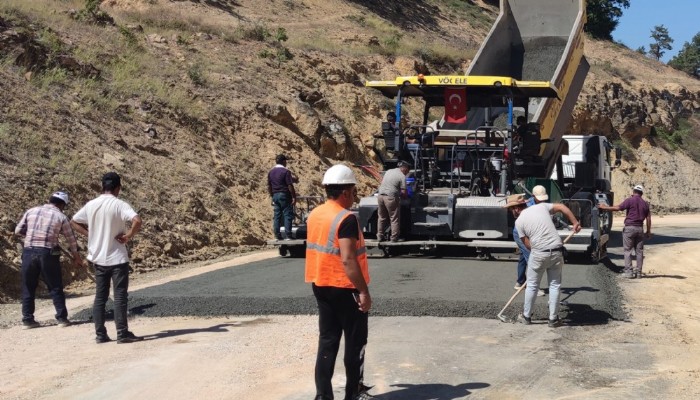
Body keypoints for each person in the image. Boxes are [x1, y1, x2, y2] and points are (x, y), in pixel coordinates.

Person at [305, 164, 375, 400]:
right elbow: (348, 259)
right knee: (355, 342)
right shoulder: (346, 219)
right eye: (353, 191)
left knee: (328, 340)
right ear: (345, 192)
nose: (354, 196)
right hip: (345, 288)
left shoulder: (315, 213)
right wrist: (363, 292)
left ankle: (323, 396)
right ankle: (352, 394)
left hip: (320, 284)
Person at [71, 172, 143, 344]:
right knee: (119, 296)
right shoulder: (119, 204)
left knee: (100, 297)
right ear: (118, 188)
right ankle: (122, 333)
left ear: (102, 187)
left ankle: (100, 334)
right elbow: (137, 221)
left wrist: (91, 234)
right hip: (117, 258)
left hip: (98, 258)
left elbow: (73, 221)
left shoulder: (91, 204)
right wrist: (128, 235)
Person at [505, 197, 581, 327]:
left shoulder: (519, 222)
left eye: (511, 210)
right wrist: (575, 223)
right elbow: (562, 207)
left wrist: (538, 251)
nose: (511, 212)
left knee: (533, 285)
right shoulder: (542, 207)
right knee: (555, 285)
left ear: (516, 208)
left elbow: (527, 245)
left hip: (539, 252)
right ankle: (553, 319)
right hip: (557, 250)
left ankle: (526, 316)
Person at [14, 191, 83, 329]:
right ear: (62, 204)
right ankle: (62, 318)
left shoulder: (31, 211)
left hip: (29, 252)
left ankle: (27, 320)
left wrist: (32, 235)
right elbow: (71, 240)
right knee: (55, 285)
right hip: (47, 253)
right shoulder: (60, 216)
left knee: (28, 286)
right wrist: (76, 257)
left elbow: (18, 231)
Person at [598, 184, 651, 278]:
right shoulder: (645, 203)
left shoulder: (630, 200)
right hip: (640, 229)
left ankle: (629, 272)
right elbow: (648, 219)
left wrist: (604, 207)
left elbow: (618, 208)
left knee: (627, 250)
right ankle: (638, 273)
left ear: (633, 192)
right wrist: (648, 231)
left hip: (630, 228)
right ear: (641, 193)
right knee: (639, 251)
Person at [513, 185, 548, 298]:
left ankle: (520, 282)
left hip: (529, 233)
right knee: (531, 258)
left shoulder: (541, 204)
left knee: (523, 257)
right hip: (521, 233)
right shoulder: (527, 205)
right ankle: (534, 287)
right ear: (533, 196)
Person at [376, 161, 410, 242]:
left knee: (382, 217)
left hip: (380, 196)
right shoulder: (402, 176)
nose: (407, 174)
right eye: (407, 172)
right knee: (394, 218)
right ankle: (394, 238)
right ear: (405, 169)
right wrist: (406, 197)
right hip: (390, 198)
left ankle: (380, 236)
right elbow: (404, 193)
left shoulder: (389, 171)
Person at [267, 154, 298, 240]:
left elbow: (269, 186)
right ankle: (288, 235)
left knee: (277, 216)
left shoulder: (271, 172)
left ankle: (277, 235)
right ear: (284, 161)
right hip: (284, 195)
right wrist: (294, 197)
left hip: (275, 195)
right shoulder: (286, 172)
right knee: (287, 214)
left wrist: (272, 196)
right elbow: (290, 186)